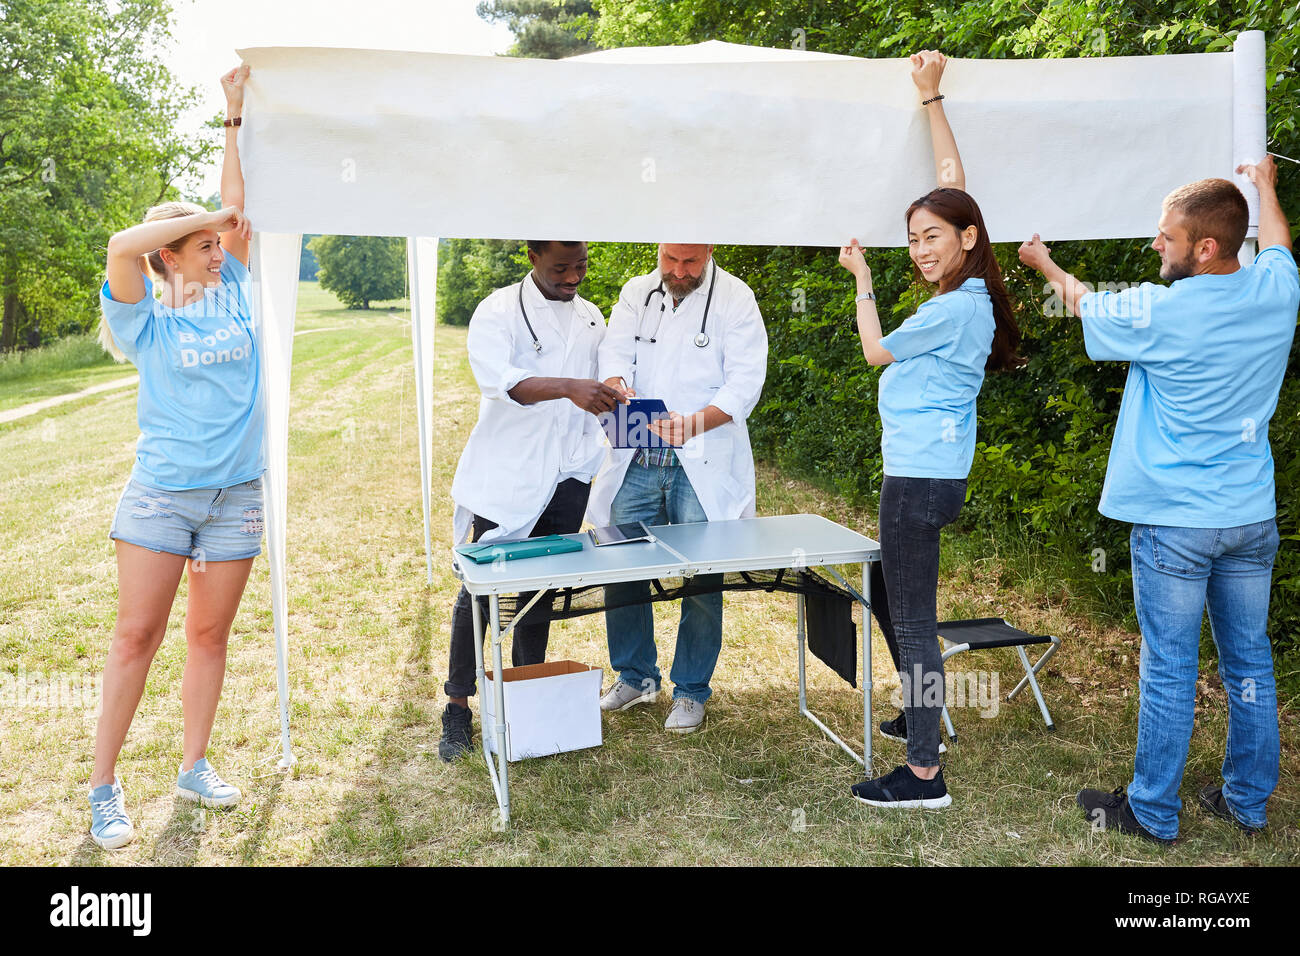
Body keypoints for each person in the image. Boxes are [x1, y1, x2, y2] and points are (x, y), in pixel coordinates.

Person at [1018, 156, 1298, 843]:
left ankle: (1150, 811)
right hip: (1249, 519)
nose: (1154, 245)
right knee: (1250, 661)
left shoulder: (1159, 311)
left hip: (1177, 523)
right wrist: (1265, 184)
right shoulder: (1275, 291)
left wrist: (1043, 264)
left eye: (1166, 237)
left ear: (1205, 247)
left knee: (1170, 666)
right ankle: (1247, 803)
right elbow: (1281, 245)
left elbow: (1082, 301)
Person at [837, 51, 1023, 809]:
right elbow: (955, 182)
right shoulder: (972, 296)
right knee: (895, 593)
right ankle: (924, 714)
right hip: (932, 476)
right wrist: (930, 98)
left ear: (968, 239)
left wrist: (864, 282)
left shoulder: (951, 308)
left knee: (914, 623)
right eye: (911, 238)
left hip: (916, 481)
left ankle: (923, 774)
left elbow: (876, 352)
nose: (919, 249)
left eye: (931, 237)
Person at [89, 66, 259, 849]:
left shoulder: (233, 287)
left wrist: (231, 116)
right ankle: (104, 788)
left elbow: (239, 208)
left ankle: (194, 765)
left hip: (236, 495)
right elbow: (123, 245)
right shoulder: (142, 319)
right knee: (137, 637)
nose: (219, 247)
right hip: (163, 498)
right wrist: (190, 221)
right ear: (169, 257)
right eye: (202, 244)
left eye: (218, 240)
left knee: (210, 637)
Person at [438, 240, 625, 761]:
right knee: (479, 589)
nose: (573, 277)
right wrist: (570, 387)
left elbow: (606, 375)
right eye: (561, 268)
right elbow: (502, 382)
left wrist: (613, 387)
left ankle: (521, 694)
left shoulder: (591, 317)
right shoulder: (498, 310)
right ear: (532, 258)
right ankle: (458, 706)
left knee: (539, 589)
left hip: (570, 472)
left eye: (581, 266)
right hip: (510, 473)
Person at [589, 243, 767, 734]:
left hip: (701, 459)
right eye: (670, 260)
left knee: (702, 573)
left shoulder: (736, 298)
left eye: (690, 262)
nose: (678, 271)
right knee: (620, 561)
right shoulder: (635, 292)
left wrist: (694, 424)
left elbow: (746, 382)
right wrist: (616, 383)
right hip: (638, 454)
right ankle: (636, 676)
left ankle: (690, 691)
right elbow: (614, 351)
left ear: (709, 250)